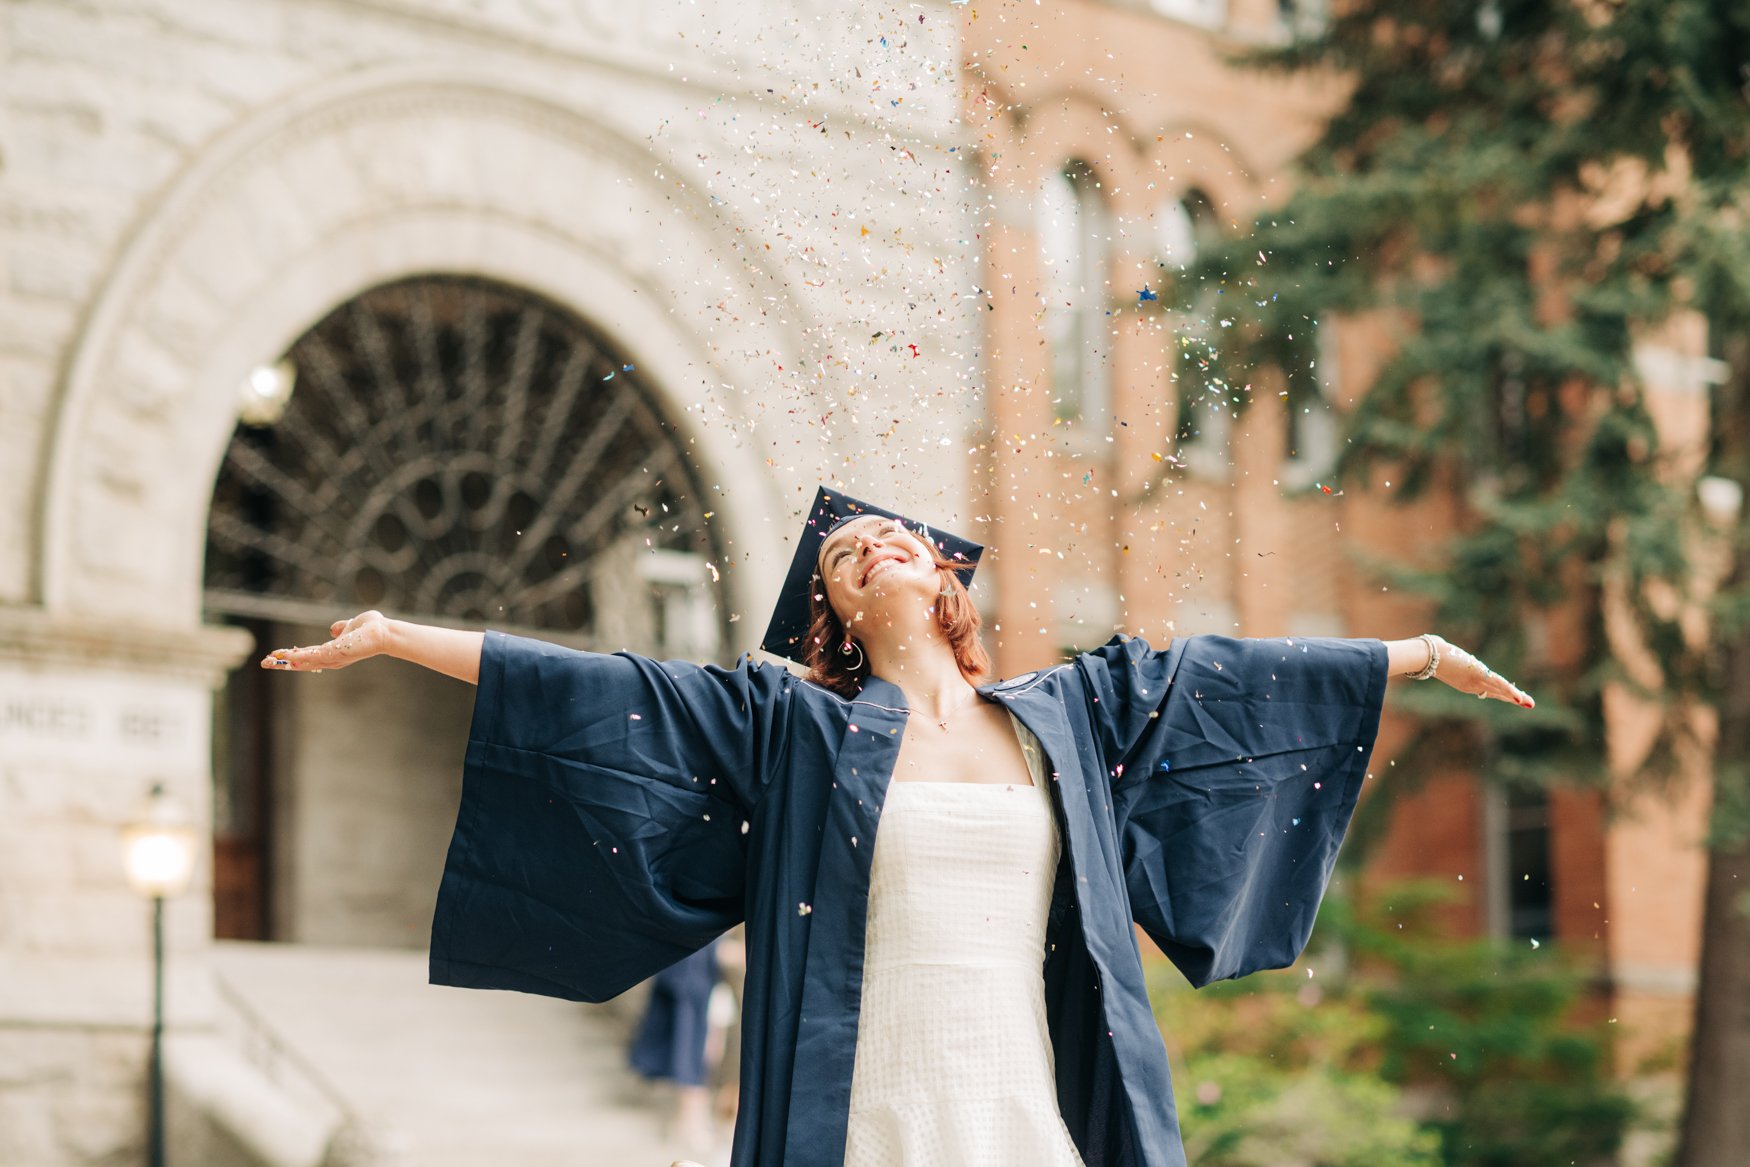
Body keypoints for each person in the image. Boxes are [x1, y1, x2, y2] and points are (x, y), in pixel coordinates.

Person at [262, 487, 1533, 1167]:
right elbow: (607, 693)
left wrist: (1412, 653)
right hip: (861, 1095)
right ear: (832, 611)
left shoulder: (1064, 717)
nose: (872, 546)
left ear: (944, 581)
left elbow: (1224, 681)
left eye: (896, 538)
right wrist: (393, 637)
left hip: (1022, 1088)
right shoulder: (794, 732)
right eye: (844, 555)